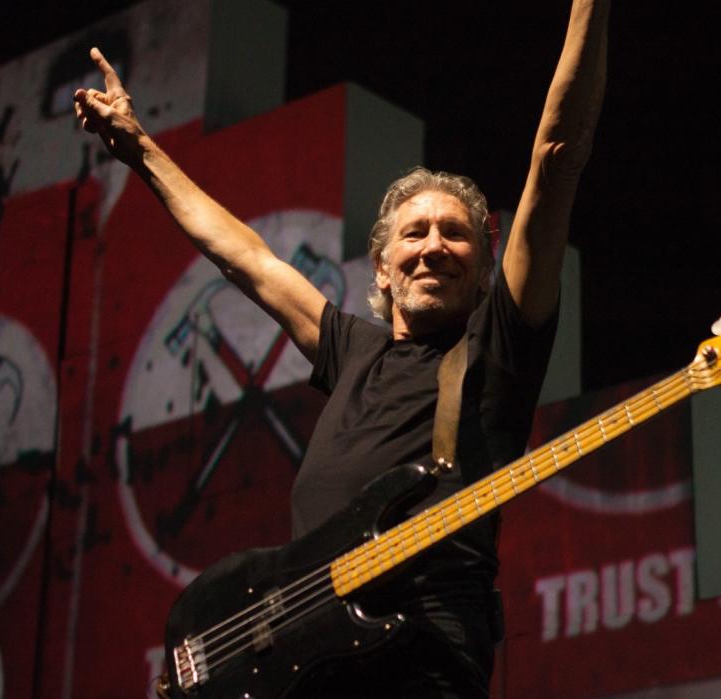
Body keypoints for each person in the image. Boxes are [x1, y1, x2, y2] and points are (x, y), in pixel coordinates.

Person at [76, 1, 608, 696]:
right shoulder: (350, 347)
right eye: (413, 234)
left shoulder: (499, 346)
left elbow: (556, 154)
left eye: (455, 234)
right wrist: (140, 150)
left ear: (484, 268)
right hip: (312, 666)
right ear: (382, 269)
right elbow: (245, 256)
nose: (433, 246)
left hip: (420, 661)